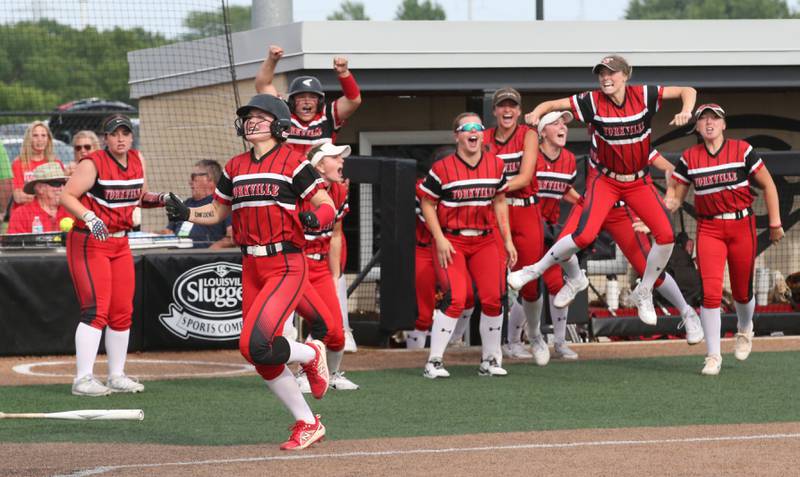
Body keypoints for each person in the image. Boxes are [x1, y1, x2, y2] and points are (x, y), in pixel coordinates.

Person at [164, 94, 337, 451]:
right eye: (248, 117)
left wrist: (314, 218)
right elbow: (217, 212)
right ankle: (307, 421)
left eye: (259, 116)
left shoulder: (293, 161)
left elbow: (326, 205)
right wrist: (187, 213)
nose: (251, 122)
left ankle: (310, 355)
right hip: (251, 265)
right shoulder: (234, 165)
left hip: (285, 263)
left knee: (256, 343)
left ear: (278, 123)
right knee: (254, 352)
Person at [510, 54, 697, 327]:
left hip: (633, 186)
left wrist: (686, 110)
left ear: (626, 75)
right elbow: (553, 104)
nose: (606, 78)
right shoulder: (591, 103)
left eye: (612, 73)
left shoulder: (643, 96)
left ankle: (650, 294)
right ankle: (539, 271)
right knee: (580, 236)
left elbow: (687, 91)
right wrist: (537, 113)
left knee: (666, 236)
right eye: (602, 74)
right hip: (605, 183)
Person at [666, 103, 783, 375]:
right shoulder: (690, 157)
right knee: (710, 293)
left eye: (714, 119)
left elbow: (768, 184)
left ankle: (744, 328)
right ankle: (713, 355)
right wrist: (654, 216)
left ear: (723, 124)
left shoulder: (742, 150)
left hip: (742, 225)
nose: (709, 123)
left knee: (742, 292)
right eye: (703, 119)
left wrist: (775, 222)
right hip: (709, 229)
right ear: (696, 126)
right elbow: (676, 198)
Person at [60, 114, 167, 397]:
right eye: (114, 133)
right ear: (106, 138)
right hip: (90, 240)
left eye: (125, 132)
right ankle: (83, 379)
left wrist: (162, 199)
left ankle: (116, 375)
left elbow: (139, 196)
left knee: (122, 311)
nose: (120, 138)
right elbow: (67, 196)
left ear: (131, 136)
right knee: (96, 309)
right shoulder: (92, 163)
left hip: (120, 243)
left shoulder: (137, 159)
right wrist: (89, 217)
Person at [418, 112, 516, 378]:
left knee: (494, 298)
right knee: (457, 298)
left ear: (482, 134)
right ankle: (434, 361)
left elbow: (499, 201)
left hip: (485, 239)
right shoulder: (442, 169)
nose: (473, 133)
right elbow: (428, 202)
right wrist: (438, 238)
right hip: (453, 239)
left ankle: (491, 360)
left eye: (478, 128)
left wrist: (507, 240)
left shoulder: (496, 165)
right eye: (467, 128)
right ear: (457, 135)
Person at [482, 87, 547, 364]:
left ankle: (534, 335)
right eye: (502, 106)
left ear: (520, 111)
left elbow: (525, 175)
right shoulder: (484, 138)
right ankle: (493, 351)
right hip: (495, 212)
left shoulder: (528, 134)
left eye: (512, 106)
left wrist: (493, 187)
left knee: (530, 283)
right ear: (495, 110)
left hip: (525, 210)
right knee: (494, 284)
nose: (507, 110)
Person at [294, 143, 358, 390]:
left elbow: (336, 235)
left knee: (337, 333)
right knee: (319, 323)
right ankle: (302, 374)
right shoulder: (299, 191)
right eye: (335, 157)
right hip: (298, 264)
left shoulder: (339, 191)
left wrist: (335, 276)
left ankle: (332, 375)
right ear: (319, 165)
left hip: (321, 267)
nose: (341, 162)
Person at [254, 44, 362, 156]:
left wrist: (344, 73)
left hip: (319, 172)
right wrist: (272, 60)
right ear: (292, 101)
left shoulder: (328, 114)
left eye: (312, 97)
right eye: (301, 97)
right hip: (287, 171)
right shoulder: (283, 112)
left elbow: (354, 100)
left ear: (320, 101)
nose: (307, 101)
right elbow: (263, 85)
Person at [161, 160, 233, 249]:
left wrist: (209, 253)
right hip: (176, 259)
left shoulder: (221, 204)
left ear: (209, 178)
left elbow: (231, 238)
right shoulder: (184, 204)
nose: (189, 182)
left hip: (203, 259)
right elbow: (168, 232)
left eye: (193, 177)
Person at [11, 121, 65, 210]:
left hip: (50, 213)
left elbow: (61, 194)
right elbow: (18, 197)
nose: (40, 139)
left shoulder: (56, 163)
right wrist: (48, 195)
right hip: (25, 214)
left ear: (48, 139)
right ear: (29, 139)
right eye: (35, 135)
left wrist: (32, 195)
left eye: (43, 135)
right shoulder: (19, 164)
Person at [7, 162, 71, 234]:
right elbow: (13, 244)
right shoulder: (21, 215)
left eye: (64, 184)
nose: (62, 188)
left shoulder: (71, 210)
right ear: (40, 188)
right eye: (56, 184)